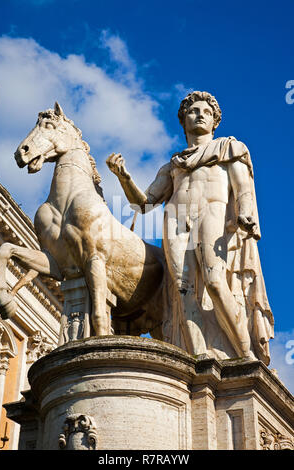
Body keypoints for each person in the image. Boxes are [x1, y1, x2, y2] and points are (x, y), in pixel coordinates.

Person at [106, 91, 273, 364]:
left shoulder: (229, 148)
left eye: (206, 112)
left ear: (215, 121)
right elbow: (144, 204)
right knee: (182, 292)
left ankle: (246, 356)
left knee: (215, 282)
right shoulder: (173, 164)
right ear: (183, 121)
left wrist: (245, 212)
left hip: (212, 213)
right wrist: (124, 178)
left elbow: (243, 187)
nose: (200, 115)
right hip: (176, 217)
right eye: (193, 111)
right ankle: (199, 359)